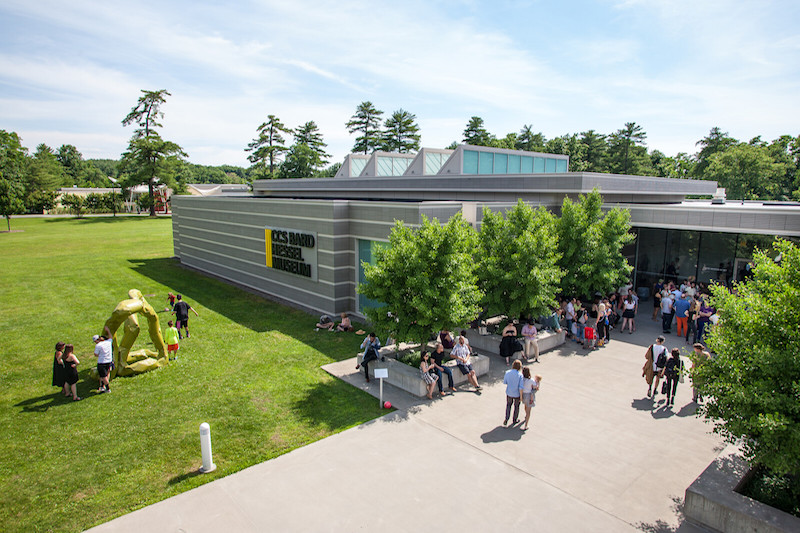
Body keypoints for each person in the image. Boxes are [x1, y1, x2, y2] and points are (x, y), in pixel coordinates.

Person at [93, 325, 113, 393]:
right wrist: (108, 330)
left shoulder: (98, 346)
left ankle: (107, 388)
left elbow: (96, 354)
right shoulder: (108, 342)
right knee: (107, 373)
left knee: (103, 376)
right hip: (109, 361)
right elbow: (111, 337)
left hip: (102, 362)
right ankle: (102, 386)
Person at [503, 360, 523, 426]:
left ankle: (506, 418)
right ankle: (515, 419)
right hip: (517, 394)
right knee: (516, 406)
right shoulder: (520, 375)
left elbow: (505, 382)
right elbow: (521, 387)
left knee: (508, 405)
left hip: (509, 392)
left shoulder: (507, 372)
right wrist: (521, 396)